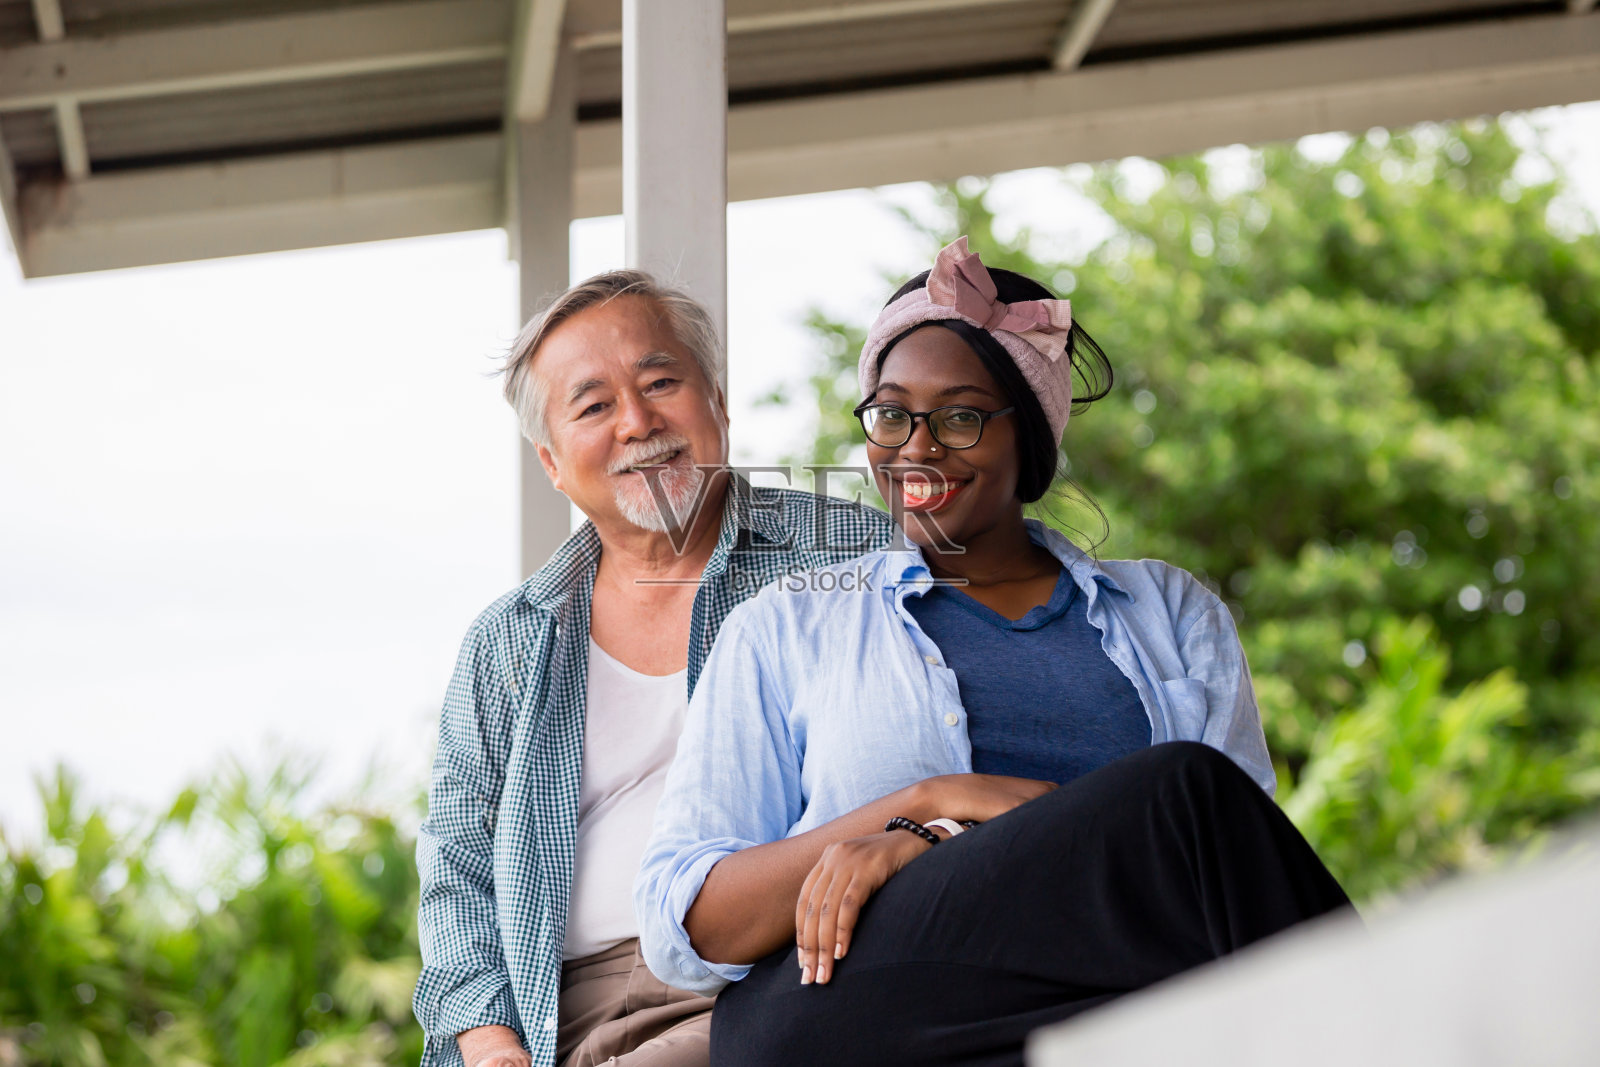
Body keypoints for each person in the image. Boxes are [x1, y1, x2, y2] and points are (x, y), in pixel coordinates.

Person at [634, 238, 1353, 1066]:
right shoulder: (788, 626)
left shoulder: (1172, 613)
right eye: (892, 413)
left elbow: (1232, 879)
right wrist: (933, 802)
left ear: (1032, 442)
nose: (917, 446)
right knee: (1181, 790)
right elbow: (683, 925)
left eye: (962, 416)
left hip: (1107, 1014)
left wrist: (926, 838)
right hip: (858, 1012)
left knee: (1198, 818)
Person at [412, 270, 896, 1067]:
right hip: (558, 1015)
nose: (638, 422)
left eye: (660, 382)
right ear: (554, 462)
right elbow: (457, 865)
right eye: (594, 405)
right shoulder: (508, 640)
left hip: (781, 975)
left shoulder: (850, 556)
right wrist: (493, 1044)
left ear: (718, 403)